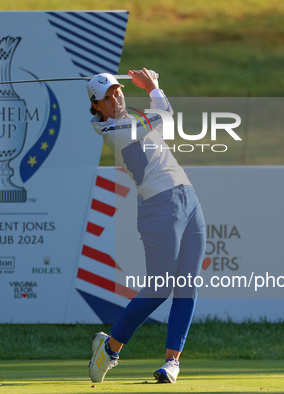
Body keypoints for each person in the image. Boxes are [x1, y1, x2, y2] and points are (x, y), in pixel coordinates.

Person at [87, 68, 206, 384]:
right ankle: (110, 350)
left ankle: (171, 363)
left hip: (188, 198)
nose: (116, 96)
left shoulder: (133, 119)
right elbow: (165, 114)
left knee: (186, 286)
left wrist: (151, 90)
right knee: (160, 288)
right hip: (159, 207)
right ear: (97, 106)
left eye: (117, 90)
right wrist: (153, 85)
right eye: (107, 96)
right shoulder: (118, 127)